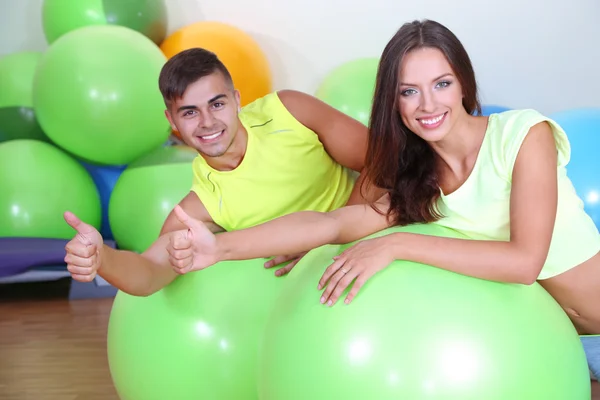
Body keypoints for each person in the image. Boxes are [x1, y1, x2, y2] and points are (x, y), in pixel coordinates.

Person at [163, 20, 600, 385]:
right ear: (393, 100)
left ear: (463, 84)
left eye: (441, 84)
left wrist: (395, 244)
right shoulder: (417, 181)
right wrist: (220, 247)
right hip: (559, 344)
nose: (427, 104)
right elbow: (330, 224)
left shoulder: (523, 135)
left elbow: (524, 262)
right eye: (409, 91)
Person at [62, 47, 380, 296]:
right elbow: (149, 272)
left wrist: (330, 237)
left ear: (236, 99)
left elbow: (384, 160)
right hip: (308, 294)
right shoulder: (199, 207)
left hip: (373, 239)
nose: (208, 122)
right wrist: (102, 257)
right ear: (172, 122)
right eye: (190, 112)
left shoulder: (289, 112)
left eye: (217, 104)